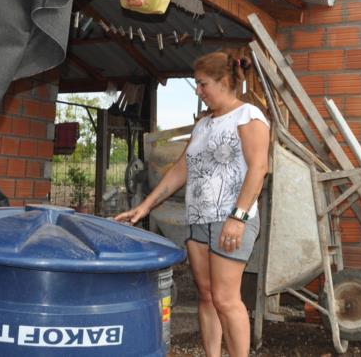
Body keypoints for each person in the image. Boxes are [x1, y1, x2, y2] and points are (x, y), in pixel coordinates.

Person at [115, 51, 270, 357]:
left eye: (202, 84)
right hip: (198, 219)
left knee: (227, 299)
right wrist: (144, 206)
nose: (198, 91)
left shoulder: (248, 116)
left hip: (231, 219)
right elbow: (180, 170)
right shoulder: (203, 124)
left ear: (224, 81)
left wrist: (237, 218)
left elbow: (258, 168)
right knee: (208, 296)